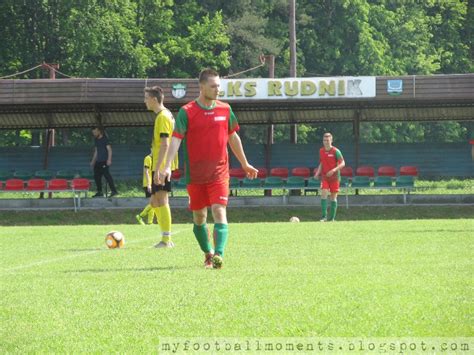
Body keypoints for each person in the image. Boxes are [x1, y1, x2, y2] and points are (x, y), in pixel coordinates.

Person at [159, 68, 258, 269]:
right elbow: (176, 140)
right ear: (201, 86)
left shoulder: (225, 109)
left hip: (219, 173)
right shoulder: (187, 112)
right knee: (199, 217)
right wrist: (167, 166)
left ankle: (218, 256)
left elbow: (233, 137)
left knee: (219, 210)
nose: (217, 90)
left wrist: (245, 163)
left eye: (219, 86)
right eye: (213, 86)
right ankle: (207, 253)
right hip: (195, 175)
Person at [144, 86, 178, 248]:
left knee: (162, 199)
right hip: (161, 163)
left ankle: (166, 240)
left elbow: (165, 144)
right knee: (155, 201)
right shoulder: (164, 115)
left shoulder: (163, 117)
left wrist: (158, 169)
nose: (145, 101)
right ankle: (164, 238)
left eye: (146, 98)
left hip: (162, 164)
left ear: (154, 99)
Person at [314, 132, 345, 221]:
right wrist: (317, 173)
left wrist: (333, 170)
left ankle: (332, 218)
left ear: (331, 140)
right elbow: (322, 163)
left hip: (335, 177)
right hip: (325, 177)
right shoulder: (321, 151)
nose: (326, 142)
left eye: (328, 140)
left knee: (333, 197)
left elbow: (343, 163)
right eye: (324, 140)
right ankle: (324, 217)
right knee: (324, 193)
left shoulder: (336, 151)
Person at [90, 126, 118, 198]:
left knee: (107, 176)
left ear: (99, 131)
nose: (94, 133)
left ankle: (114, 191)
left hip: (104, 161)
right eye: (93, 132)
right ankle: (99, 192)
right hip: (98, 161)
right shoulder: (96, 140)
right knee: (96, 177)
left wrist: (109, 159)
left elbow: (109, 150)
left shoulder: (105, 139)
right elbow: (96, 151)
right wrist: (93, 161)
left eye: (95, 132)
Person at [135, 148, 157, 225]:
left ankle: (150, 222)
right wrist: (148, 184)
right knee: (153, 202)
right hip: (148, 184)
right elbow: (146, 172)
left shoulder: (155, 159)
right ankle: (140, 216)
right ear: (151, 149)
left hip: (153, 183)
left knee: (153, 203)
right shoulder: (148, 158)